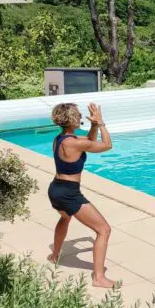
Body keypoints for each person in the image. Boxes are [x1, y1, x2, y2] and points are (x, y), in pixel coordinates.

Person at [47, 102, 115, 288]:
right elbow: (107, 145)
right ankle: (99, 278)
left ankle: (55, 255)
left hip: (56, 189)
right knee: (104, 230)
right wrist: (101, 123)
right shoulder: (75, 143)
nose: (80, 117)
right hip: (69, 193)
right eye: (77, 115)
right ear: (71, 119)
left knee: (65, 217)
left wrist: (93, 126)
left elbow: (87, 143)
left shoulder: (60, 139)